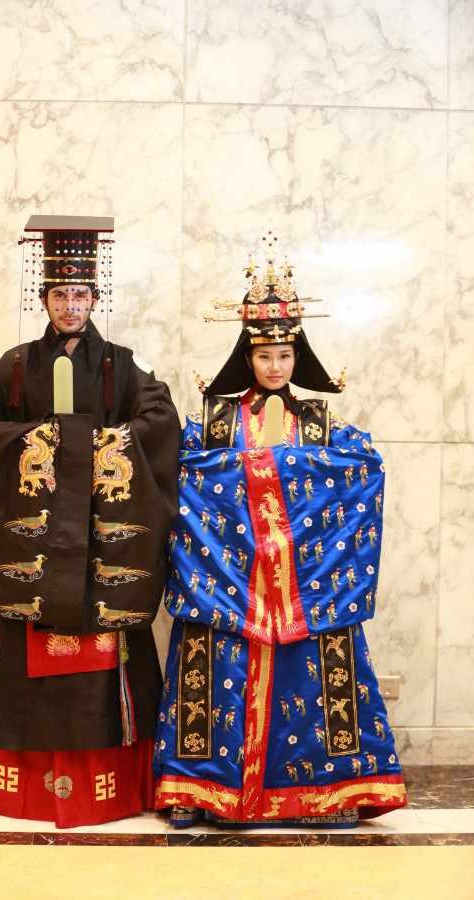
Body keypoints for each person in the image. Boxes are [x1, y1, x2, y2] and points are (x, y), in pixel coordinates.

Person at [152, 243, 407, 827]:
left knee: (315, 681)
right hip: (227, 579)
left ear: (298, 356)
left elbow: (361, 472)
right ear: (247, 357)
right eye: (264, 355)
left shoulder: (322, 424)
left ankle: (329, 792)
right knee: (215, 676)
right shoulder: (212, 424)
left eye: (285, 355)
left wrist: (270, 475)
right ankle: (200, 791)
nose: (274, 366)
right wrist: (282, 476)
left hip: (307, 584)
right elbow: (182, 478)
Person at [0, 215, 180, 827]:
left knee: (103, 655)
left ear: (95, 297)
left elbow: (159, 423)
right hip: (36, 549)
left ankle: (110, 784)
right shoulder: (14, 365)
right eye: (60, 294)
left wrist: (98, 447)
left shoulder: (124, 366)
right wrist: (37, 443)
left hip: (103, 554)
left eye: (80, 294)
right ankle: (16, 790)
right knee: (23, 652)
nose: (71, 305)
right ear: (43, 297)